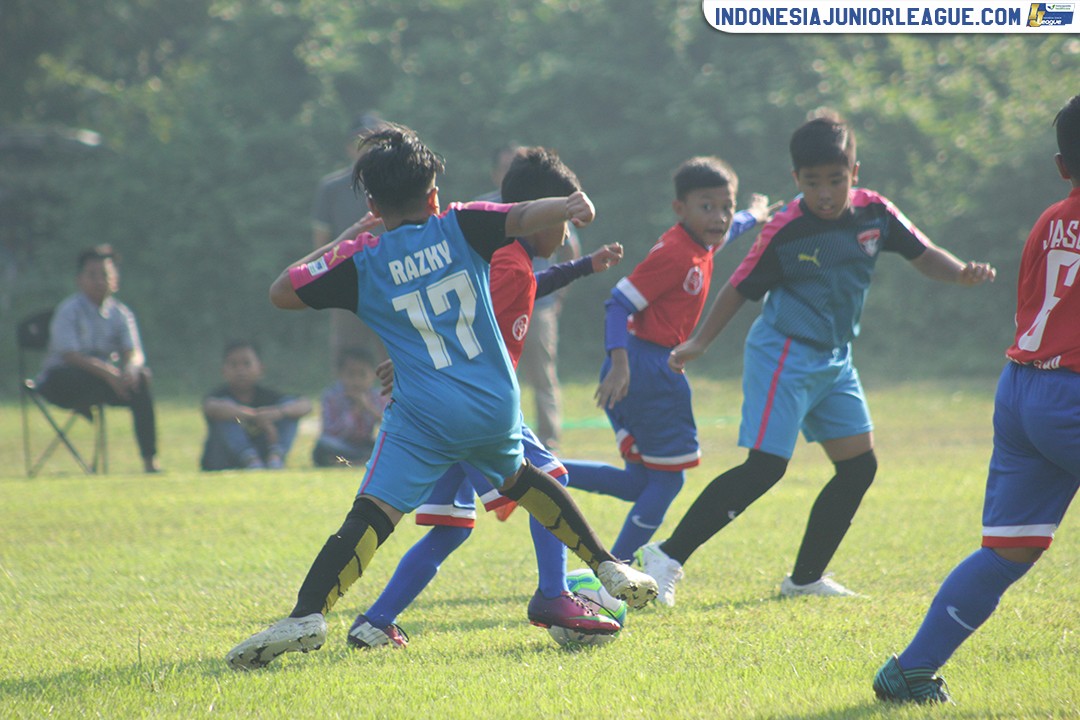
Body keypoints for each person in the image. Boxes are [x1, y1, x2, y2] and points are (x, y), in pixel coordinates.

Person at [226, 123, 657, 670]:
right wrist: (572, 203)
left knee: (373, 515)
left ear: (375, 205)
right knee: (526, 480)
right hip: (491, 406)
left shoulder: (364, 258)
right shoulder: (463, 224)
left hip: (423, 416)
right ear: (433, 193)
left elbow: (282, 292)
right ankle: (606, 564)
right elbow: (522, 216)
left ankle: (308, 614)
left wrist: (348, 237)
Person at [638, 113, 997, 607]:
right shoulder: (788, 228)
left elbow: (923, 251)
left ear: (855, 171)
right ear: (796, 180)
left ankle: (805, 579)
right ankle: (665, 555)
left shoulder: (877, 214)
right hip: (782, 353)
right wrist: (700, 343)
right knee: (766, 467)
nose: (825, 193)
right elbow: (738, 287)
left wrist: (960, 274)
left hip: (835, 359)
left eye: (836, 179)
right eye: (812, 182)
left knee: (858, 467)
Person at [349, 147, 625, 648]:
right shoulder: (505, 263)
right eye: (560, 222)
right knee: (551, 480)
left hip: (441, 410)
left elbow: (519, 292)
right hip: (477, 409)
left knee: (451, 529)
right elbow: (479, 317)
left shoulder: (509, 259)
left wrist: (584, 266)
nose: (564, 235)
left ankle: (375, 622)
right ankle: (553, 593)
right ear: (538, 215)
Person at [872, 94, 1080, 705]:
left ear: (1062, 167)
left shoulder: (1049, 221)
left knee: (1007, 549)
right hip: (1070, 393)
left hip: (1021, 389)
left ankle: (910, 671)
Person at [562, 157, 773, 562]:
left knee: (639, 483)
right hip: (646, 368)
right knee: (668, 481)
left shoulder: (700, 242)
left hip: (643, 364)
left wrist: (755, 215)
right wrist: (620, 364)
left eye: (726, 206)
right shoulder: (676, 254)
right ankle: (617, 570)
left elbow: (729, 231)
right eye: (707, 206)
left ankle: (539, 472)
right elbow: (617, 304)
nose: (720, 216)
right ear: (681, 209)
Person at [478, 144, 582, 451]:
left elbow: (569, 246)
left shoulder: (546, 207)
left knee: (542, 373)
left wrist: (561, 295)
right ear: (497, 174)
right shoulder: (485, 208)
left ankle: (549, 438)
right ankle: (495, 434)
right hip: (495, 301)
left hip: (539, 303)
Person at [37, 244, 160, 473]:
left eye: (105, 274)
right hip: (64, 381)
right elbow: (70, 355)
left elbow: (133, 352)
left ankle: (149, 460)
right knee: (82, 376)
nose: (99, 281)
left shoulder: (121, 314)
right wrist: (109, 375)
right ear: (79, 279)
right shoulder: (68, 311)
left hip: (106, 381)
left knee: (141, 379)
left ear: (115, 279)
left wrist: (130, 370)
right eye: (92, 275)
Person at [312, 111, 388, 367]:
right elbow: (321, 241)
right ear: (349, 147)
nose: (367, 149)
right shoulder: (331, 188)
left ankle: (395, 406)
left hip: (392, 278)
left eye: (374, 142)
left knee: (395, 352)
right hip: (348, 280)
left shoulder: (398, 183)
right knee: (348, 355)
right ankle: (345, 406)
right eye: (360, 142)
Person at [200, 340, 312, 471]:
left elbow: (305, 405)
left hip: (265, 453)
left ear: (260, 369)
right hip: (225, 462)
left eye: (247, 364)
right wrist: (254, 417)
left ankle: (276, 457)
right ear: (223, 370)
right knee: (228, 414)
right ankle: (249, 459)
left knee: (290, 409)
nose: (240, 370)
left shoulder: (268, 396)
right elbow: (211, 407)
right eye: (234, 365)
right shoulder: (219, 397)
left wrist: (279, 413)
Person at [312, 346, 387, 468]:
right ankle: (360, 461)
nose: (356, 381)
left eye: (362, 375)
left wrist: (368, 407)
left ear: (373, 375)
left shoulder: (377, 397)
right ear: (340, 375)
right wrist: (354, 412)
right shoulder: (332, 397)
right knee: (323, 446)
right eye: (351, 375)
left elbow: (387, 425)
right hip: (340, 444)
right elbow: (330, 431)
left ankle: (355, 461)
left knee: (387, 447)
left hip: (365, 444)